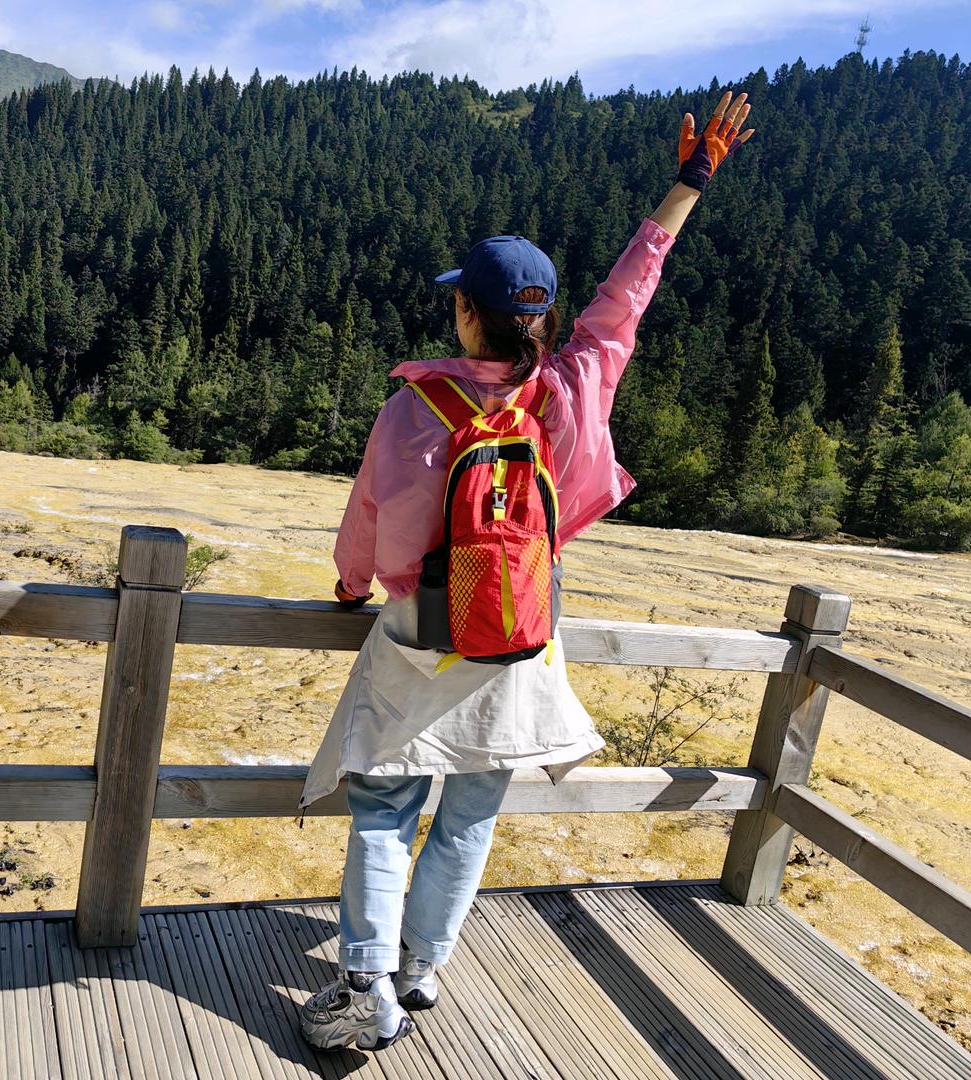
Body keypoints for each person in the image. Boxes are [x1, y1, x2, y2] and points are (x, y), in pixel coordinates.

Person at [298, 90, 756, 1052]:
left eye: (458, 297)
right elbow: (630, 294)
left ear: (466, 310)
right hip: (516, 639)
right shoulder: (576, 386)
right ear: (540, 320)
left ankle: (363, 988)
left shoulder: (414, 406)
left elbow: (365, 533)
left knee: (384, 811)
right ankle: (423, 971)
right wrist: (690, 183)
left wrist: (346, 591)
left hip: (420, 637)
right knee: (468, 814)